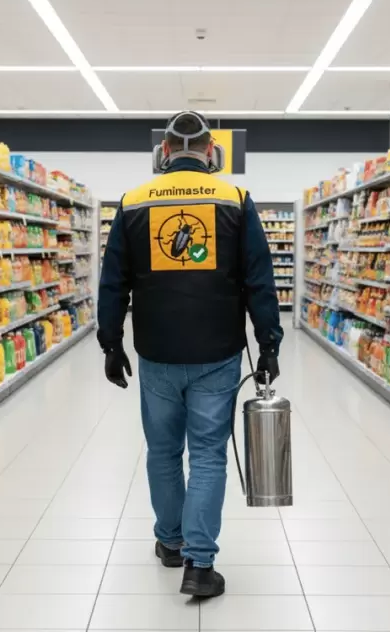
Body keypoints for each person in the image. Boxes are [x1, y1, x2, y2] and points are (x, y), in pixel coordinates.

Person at [97, 111, 283, 598]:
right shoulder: (235, 199)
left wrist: (111, 343)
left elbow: (113, 281)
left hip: (155, 351)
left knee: (162, 452)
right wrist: (269, 344)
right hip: (217, 352)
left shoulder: (133, 201)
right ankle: (199, 565)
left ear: (162, 155)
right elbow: (259, 279)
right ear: (210, 153)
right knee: (206, 455)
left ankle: (170, 541)